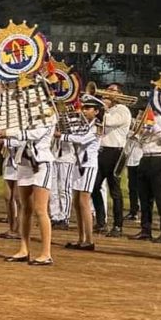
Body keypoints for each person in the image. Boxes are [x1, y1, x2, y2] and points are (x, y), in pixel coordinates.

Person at [0, 105, 56, 266]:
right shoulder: (25, 114)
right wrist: (6, 139)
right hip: (23, 162)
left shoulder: (48, 113)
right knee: (25, 208)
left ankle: (46, 253)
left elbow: (35, 134)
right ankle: (24, 249)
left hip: (41, 162)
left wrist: (9, 132)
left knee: (40, 209)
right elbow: (21, 139)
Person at [60, 95, 104, 251]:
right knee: (76, 202)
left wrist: (63, 136)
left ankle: (89, 240)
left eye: (88, 108)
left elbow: (83, 140)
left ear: (96, 111)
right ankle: (81, 238)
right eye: (84, 108)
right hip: (78, 164)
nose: (84, 111)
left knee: (84, 202)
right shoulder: (82, 124)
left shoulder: (97, 126)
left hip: (88, 165)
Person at [93, 83, 131, 237]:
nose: (107, 92)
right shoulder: (107, 109)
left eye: (112, 90)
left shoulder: (123, 110)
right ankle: (101, 222)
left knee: (114, 190)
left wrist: (102, 108)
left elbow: (108, 121)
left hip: (115, 152)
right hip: (102, 150)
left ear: (120, 94)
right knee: (94, 187)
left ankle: (118, 226)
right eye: (107, 89)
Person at [130, 110, 161, 243]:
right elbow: (141, 139)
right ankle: (145, 230)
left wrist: (152, 125)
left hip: (159, 158)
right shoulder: (145, 117)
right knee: (144, 198)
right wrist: (137, 131)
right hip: (145, 157)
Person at [50, 134, 76, 230]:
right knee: (53, 189)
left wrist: (62, 135)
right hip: (53, 155)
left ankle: (64, 217)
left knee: (64, 188)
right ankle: (54, 215)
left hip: (66, 156)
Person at [0, 140, 20, 240]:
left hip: (21, 161)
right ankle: (11, 228)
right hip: (10, 160)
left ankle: (19, 229)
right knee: (7, 196)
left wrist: (6, 141)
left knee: (18, 198)